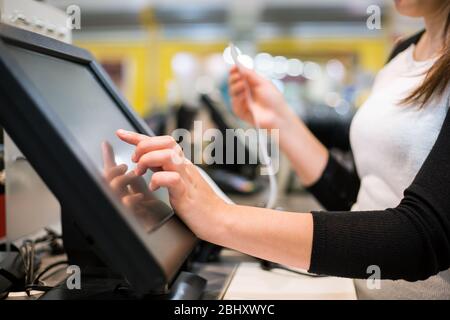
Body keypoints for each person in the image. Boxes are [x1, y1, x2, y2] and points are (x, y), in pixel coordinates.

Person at [116, 0, 450, 299]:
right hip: (353, 288)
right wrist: (278, 118)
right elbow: (364, 202)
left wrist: (220, 218)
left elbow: (420, 237)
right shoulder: (403, 54)